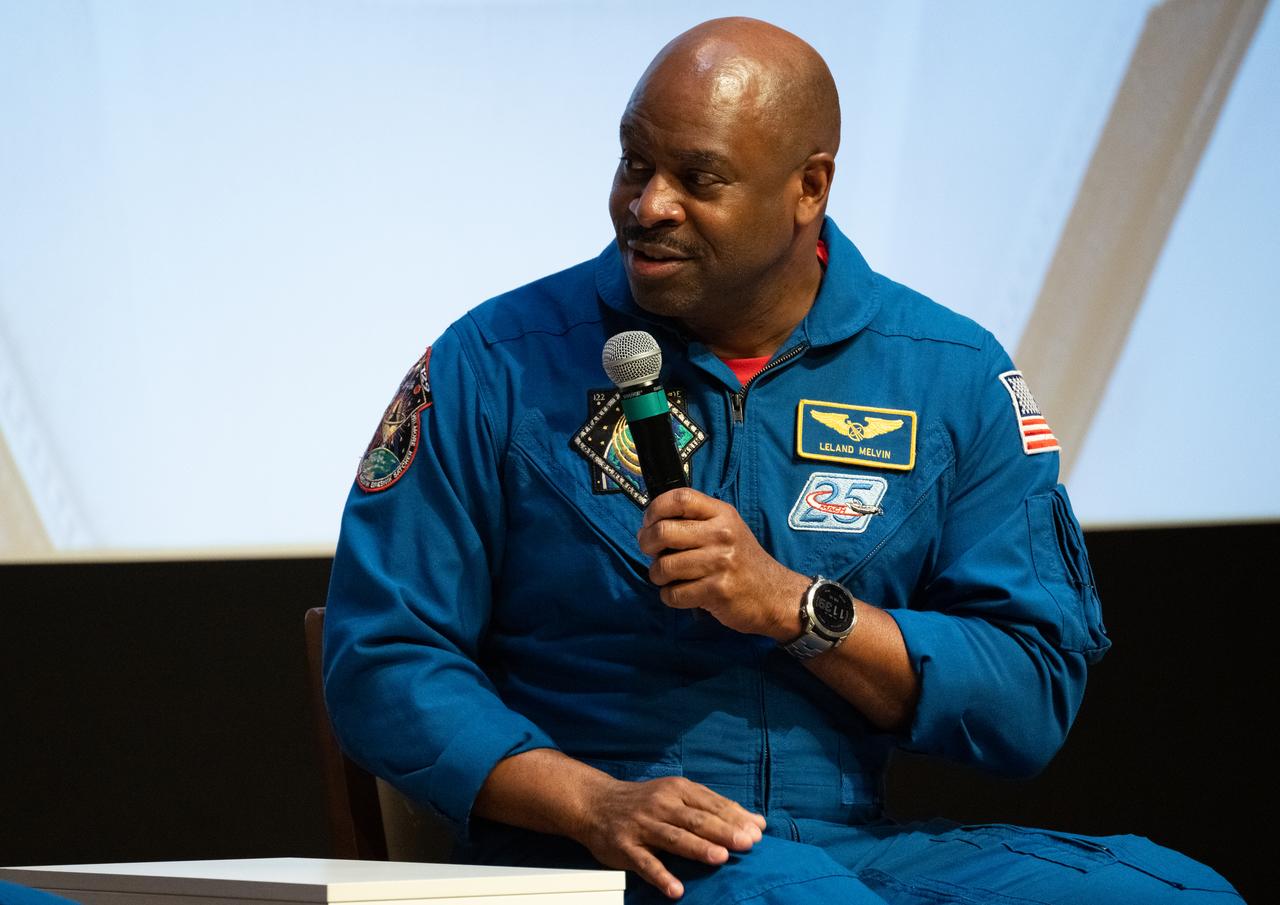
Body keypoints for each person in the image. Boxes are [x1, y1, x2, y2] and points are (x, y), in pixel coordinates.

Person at [323, 17, 1242, 904]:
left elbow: (1030, 692)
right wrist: (588, 800)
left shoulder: (950, 374)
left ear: (809, 188)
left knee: (1180, 892)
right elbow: (382, 655)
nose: (648, 206)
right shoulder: (497, 360)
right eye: (634, 164)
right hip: (586, 845)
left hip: (842, 847)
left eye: (699, 177)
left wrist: (799, 608)